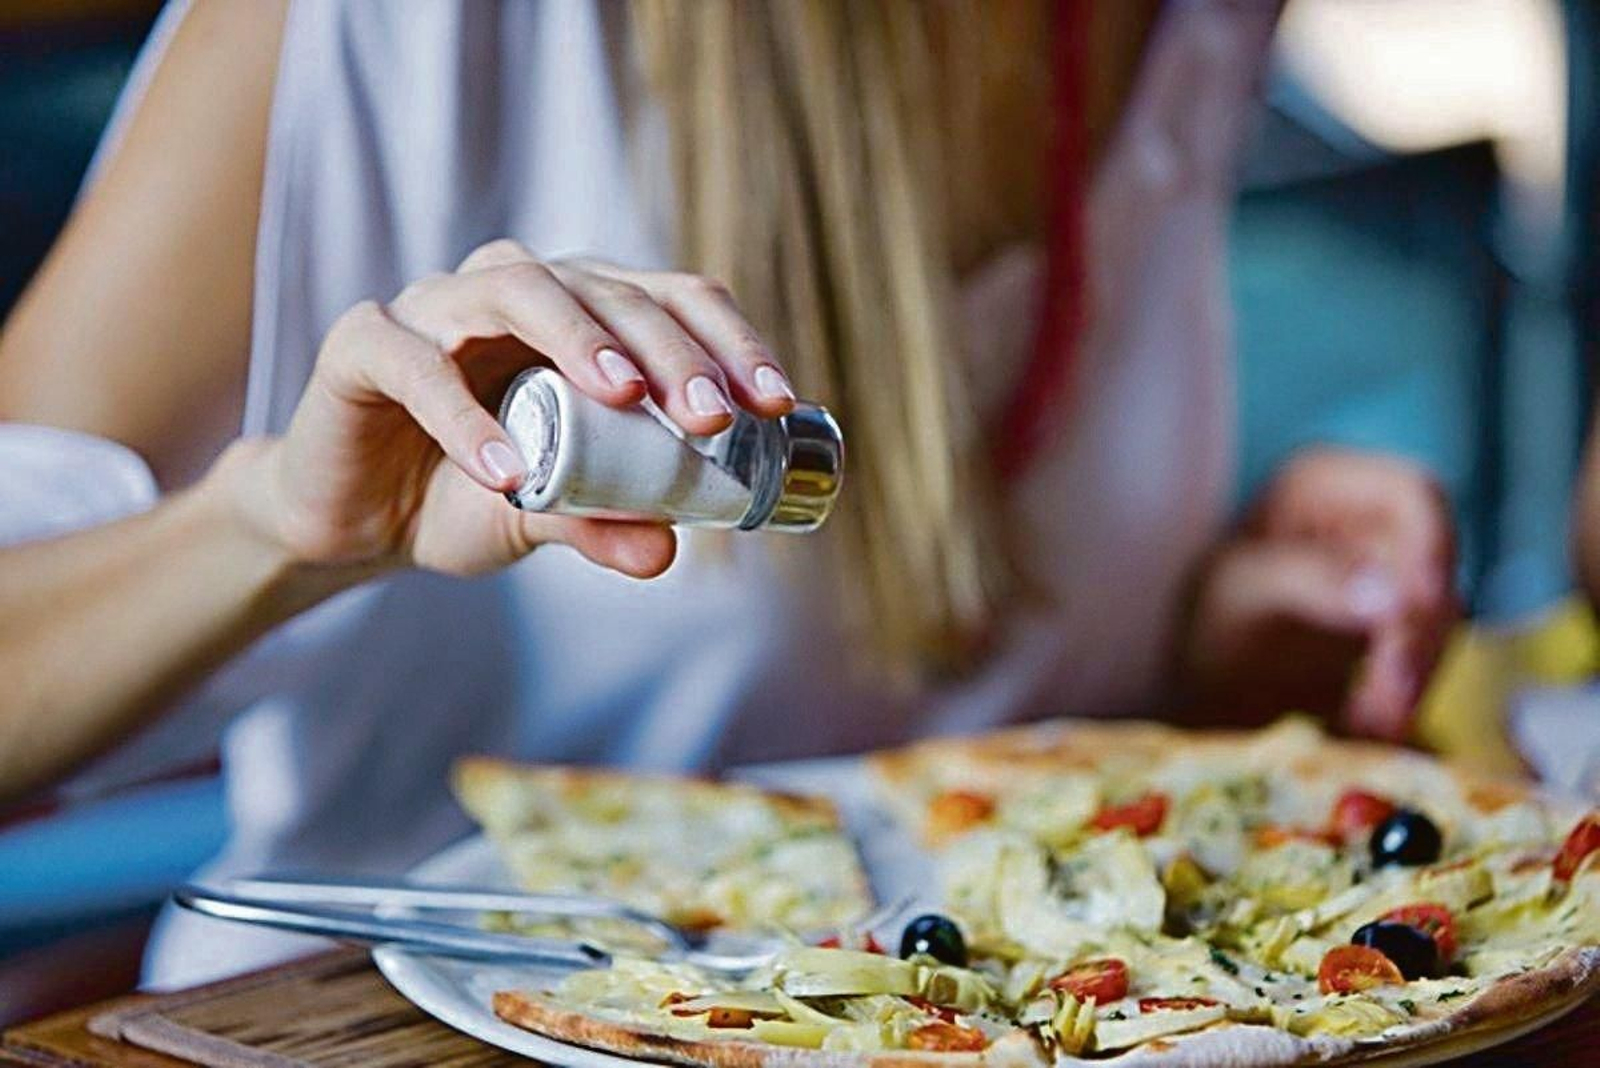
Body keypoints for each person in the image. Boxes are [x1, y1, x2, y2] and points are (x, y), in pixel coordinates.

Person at [0, 0, 1455, 987]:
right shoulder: (406, 28)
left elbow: (937, 735)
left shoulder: (1197, 23)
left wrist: (1204, 622)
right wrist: (273, 529)